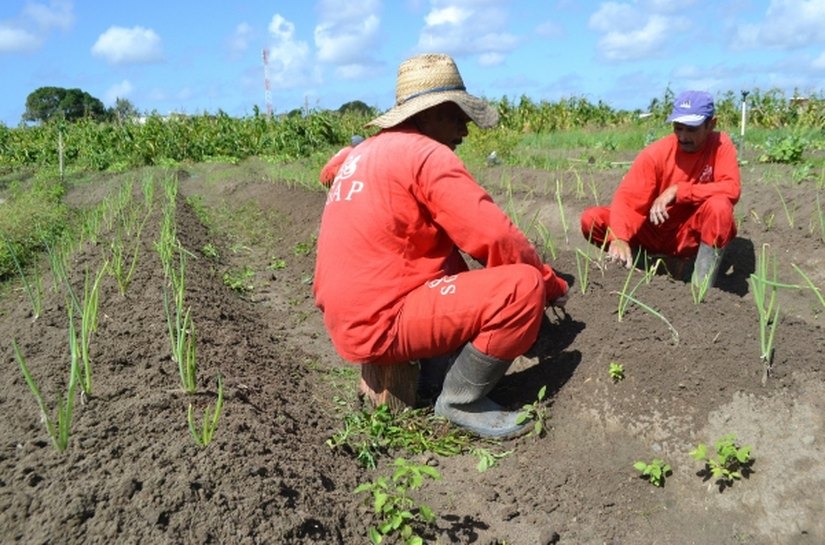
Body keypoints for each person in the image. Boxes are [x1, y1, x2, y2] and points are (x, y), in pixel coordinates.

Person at [313, 53, 569, 438]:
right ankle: (460, 400)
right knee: (521, 289)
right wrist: (549, 285)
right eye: (457, 116)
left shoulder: (362, 153)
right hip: (380, 321)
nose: (464, 131)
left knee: (443, 253)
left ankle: (435, 370)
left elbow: (329, 171)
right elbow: (495, 237)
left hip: (345, 313)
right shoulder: (427, 155)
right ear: (431, 112)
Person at [579, 90, 741, 289]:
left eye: (691, 129)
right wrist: (619, 238)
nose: (683, 136)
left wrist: (679, 191)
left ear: (711, 124)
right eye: (677, 128)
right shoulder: (655, 154)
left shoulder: (721, 145)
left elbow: (731, 189)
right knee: (592, 219)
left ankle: (700, 288)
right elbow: (628, 200)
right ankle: (644, 267)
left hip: (685, 235)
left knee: (720, 207)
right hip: (652, 232)